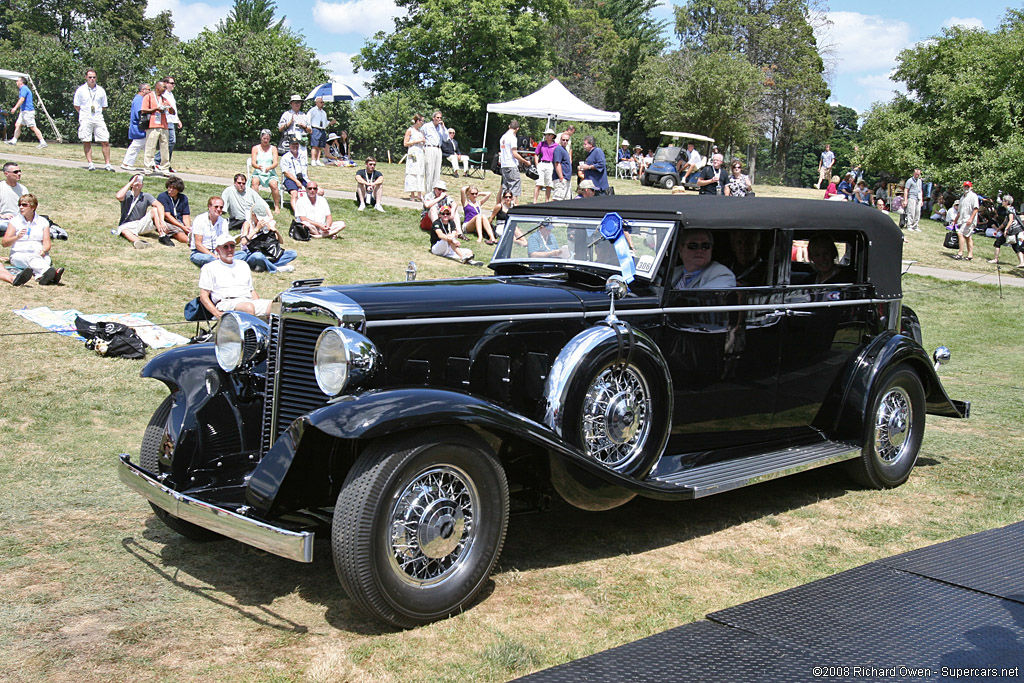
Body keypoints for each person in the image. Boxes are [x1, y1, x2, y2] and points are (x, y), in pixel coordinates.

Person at [198, 233, 272, 319]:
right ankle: (250, 332)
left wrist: (258, 303)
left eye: (232, 246)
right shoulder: (209, 268)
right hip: (226, 303)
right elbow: (203, 297)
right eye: (225, 247)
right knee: (248, 307)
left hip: (247, 300)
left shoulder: (243, 265)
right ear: (218, 250)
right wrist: (217, 314)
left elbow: (251, 291)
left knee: (275, 306)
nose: (230, 249)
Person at [2, 194, 62, 285]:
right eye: (20, 205)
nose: (21, 207)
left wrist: (44, 250)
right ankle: (51, 274)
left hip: (39, 254)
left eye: (25, 205)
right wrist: (17, 237)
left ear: (33, 207)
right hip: (19, 254)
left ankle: (41, 277)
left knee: (44, 259)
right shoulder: (14, 221)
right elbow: (4, 243)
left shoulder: (42, 222)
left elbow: (47, 243)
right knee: (33, 259)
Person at [112, 174, 168, 249]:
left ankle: (162, 235)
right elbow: (118, 196)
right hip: (127, 225)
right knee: (125, 231)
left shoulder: (146, 196)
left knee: (154, 210)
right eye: (136, 182)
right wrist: (130, 183)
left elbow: (160, 206)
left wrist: (162, 221)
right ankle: (139, 242)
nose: (138, 184)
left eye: (140, 182)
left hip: (140, 223)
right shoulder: (127, 195)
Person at [73, 69, 114, 172]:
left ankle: (107, 164)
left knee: (105, 140)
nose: (92, 79)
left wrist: (96, 112)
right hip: (86, 117)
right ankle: (90, 163)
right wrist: (84, 114)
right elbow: (76, 105)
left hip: (98, 117)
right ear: (86, 77)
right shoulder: (81, 90)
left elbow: (104, 106)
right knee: (86, 140)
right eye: (90, 77)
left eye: (94, 77)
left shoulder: (101, 90)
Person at [671, 229, 736, 289]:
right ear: (681, 249)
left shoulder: (722, 274)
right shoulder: (672, 273)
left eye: (705, 246)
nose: (699, 250)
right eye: (693, 245)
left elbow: (701, 299)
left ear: (711, 249)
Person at [141, 78, 174, 175]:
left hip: (164, 126)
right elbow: (143, 110)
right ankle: (148, 168)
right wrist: (156, 109)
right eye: (163, 87)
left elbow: (172, 112)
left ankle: (165, 168)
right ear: (157, 87)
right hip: (152, 125)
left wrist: (169, 108)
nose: (164, 89)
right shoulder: (149, 97)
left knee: (165, 148)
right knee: (150, 147)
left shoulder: (164, 99)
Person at [5, 76, 46, 148]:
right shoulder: (23, 89)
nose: (16, 82)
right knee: (18, 124)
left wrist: (15, 108)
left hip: (28, 111)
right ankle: (14, 140)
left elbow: (22, 99)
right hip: (23, 111)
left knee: (33, 127)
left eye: (17, 81)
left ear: (21, 82)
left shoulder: (24, 88)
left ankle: (43, 142)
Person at [250, 129, 281, 213]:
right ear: (261, 138)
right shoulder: (255, 148)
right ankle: (256, 204)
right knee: (254, 182)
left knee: (274, 184)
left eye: (268, 138)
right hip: (258, 172)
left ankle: (277, 206)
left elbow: (275, 163)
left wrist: (269, 168)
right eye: (264, 138)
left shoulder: (273, 148)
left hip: (270, 172)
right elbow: (253, 162)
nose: (266, 140)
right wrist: (258, 167)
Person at [120, 82, 150, 170]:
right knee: (136, 145)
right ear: (143, 90)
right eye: (148, 89)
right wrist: (145, 126)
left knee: (146, 146)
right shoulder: (138, 99)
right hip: (138, 128)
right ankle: (126, 163)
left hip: (140, 127)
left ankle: (151, 164)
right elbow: (139, 114)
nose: (150, 91)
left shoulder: (140, 99)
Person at [153, 75, 180, 173]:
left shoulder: (171, 95)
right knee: (170, 142)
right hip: (166, 120)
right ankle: (157, 161)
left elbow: (174, 109)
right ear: (165, 83)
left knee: (170, 142)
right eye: (171, 83)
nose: (173, 85)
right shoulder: (163, 95)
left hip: (172, 120)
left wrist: (178, 120)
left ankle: (165, 164)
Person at [989, 195, 1024, 267]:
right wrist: (998, 229)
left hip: (1012, 230)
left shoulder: (1010, 210)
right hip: (1015, 229)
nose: (1002, 202)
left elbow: (1010, 220)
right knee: (1015, 246)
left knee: (998, 242)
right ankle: (1022, 263)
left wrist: (1006, 229)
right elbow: (1005, 221)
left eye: (1003, 200)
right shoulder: (1010, 209)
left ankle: (995, 259)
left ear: (1007, 202)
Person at [155, 176, 191, 246]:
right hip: (168, 221)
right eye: (169, 187)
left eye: (174, 188)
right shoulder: (163, 196)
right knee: (178, 232)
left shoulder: (183, 198)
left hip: (179, 221)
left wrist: (187, 227)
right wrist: (182, 227)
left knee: (191, 230)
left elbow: (186, 215)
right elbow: (167, 216)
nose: (170, 190)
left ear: (178, 189)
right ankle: (190, 241)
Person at [499, 120, 529, 203]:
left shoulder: (503, 137)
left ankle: (502, 209)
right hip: (511, 165)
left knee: (505, 189)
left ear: (509, 126)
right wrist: (525, 162)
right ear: (517, 128)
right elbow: (514, 154)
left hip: (504, 165)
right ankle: (513, 209)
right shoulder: (512, 138)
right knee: (514, 189)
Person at [280, 138, 313, 205]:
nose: (295, 146)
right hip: (290, 179)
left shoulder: (303, 156)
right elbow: (285, 172)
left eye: (296, 144)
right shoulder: (285, 157)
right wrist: (296, 181)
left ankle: (314, 210)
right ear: (289, 145)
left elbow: (305, 170)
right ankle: (297, 213)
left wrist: (308, 181)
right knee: (294, 194)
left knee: (319, 191)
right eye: (293, 144)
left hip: (303, 178)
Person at [278, 94, 311, 160]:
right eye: (295, 102)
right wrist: (289, 123)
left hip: (302, 140)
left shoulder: (304, 115)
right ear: (291, 104)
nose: (297, 104)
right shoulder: (286, 114)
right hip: (290, 139)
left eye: (299, 102)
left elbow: (310, 131)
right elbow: (280, 129)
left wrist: (304, 126)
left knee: (302, 158)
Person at [955, 181, 980, 261]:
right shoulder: (962, 198)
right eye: (965, 186)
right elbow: (959, 211)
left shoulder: (973, 196)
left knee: (960, 233)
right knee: (968, 236)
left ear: (970, 187)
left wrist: (971, 219)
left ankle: (960, 253)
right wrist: (955, 220)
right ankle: (970, 255)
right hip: (962, 219)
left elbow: (976, 209)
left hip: (969, 219)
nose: (966, 188)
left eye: (967, 186)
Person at [404, 114, 426, 201]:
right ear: (417, 121)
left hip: (420, 153)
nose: (422, 123)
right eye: (422, 121)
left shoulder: (420, 131)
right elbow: (405, 143)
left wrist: (423, 141)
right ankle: (412, 194)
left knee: (420, 172)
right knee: (412, 172)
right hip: (413, 152)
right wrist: (417, 141)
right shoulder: (410, 130)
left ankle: (419, 194)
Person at [533, 128, 559, 202]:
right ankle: (535, 201)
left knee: (549, 184)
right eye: (546, 134)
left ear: (553, 136)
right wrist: (537, 164)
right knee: (538, 183)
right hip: (542, 163)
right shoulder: (541, 144)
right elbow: (536, 154)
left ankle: (546, 201)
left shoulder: (556, 146)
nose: (547, 136)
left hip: (550, 164)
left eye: (549, 135)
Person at [0, 162, 27, 233]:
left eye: (19, 171)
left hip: (18, 220)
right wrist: (2, 216)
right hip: (2, 220)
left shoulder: (23, 189)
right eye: (15, 172)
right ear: (6, 174)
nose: (19, 174)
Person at [308, 96, 335, 167]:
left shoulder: (324, 112)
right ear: (316, 103)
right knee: (314, 145)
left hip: (322, 129)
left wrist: (330, 123)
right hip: (315, 129)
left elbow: (325, 123)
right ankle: (313, 160)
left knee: (320, 146)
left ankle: (317, 160)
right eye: (321, 102)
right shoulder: (313, 110)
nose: (322, 103)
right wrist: (309, 128)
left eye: (323, 102)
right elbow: (308, 119)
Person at [423, 110, 446, 191]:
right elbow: (421, 136)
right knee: (429, 171)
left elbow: (446, 138)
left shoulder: (441, 128)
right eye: (437, 117)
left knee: (437, 172)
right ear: (433, 118)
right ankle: (428, 192)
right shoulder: (427, 126)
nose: (439, 119)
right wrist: (423, 148)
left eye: (440, 118)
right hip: (430, 148)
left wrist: (443, 127)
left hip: (438, 149)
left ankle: (435, 192)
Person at [552, 133, 572, 201]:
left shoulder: (564, 149)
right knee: (558, 199)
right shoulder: (559, 149)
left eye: (567, 140)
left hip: (566, 178)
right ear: (560, 140)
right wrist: (561, 177)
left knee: (565, 200)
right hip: (560, 179)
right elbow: (557, 163)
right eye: (563, 140)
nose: (565, 141)